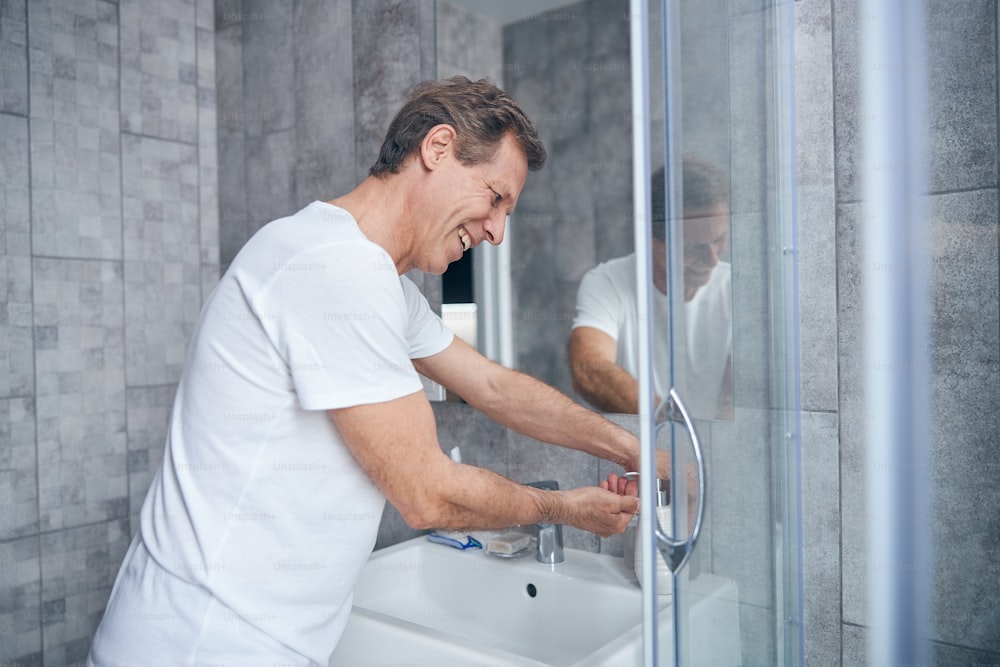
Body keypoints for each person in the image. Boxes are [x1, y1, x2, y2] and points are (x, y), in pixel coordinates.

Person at [87, 76, 650, 667]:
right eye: (496, 197)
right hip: (199, 642)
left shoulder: (374, 278)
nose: (496, 231)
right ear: (437, 149)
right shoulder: (335, 268)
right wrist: (565, 509)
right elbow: (427, 495)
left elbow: (492, 387)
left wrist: (631, 448)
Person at [569, 155, 733, 420]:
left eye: (719, 239)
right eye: (694, 247)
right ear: (651, 241)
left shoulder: (735, 289)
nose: (713, 259)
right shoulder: (608, 283)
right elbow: (589, 370)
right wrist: (673, 427)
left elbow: (743, 391)